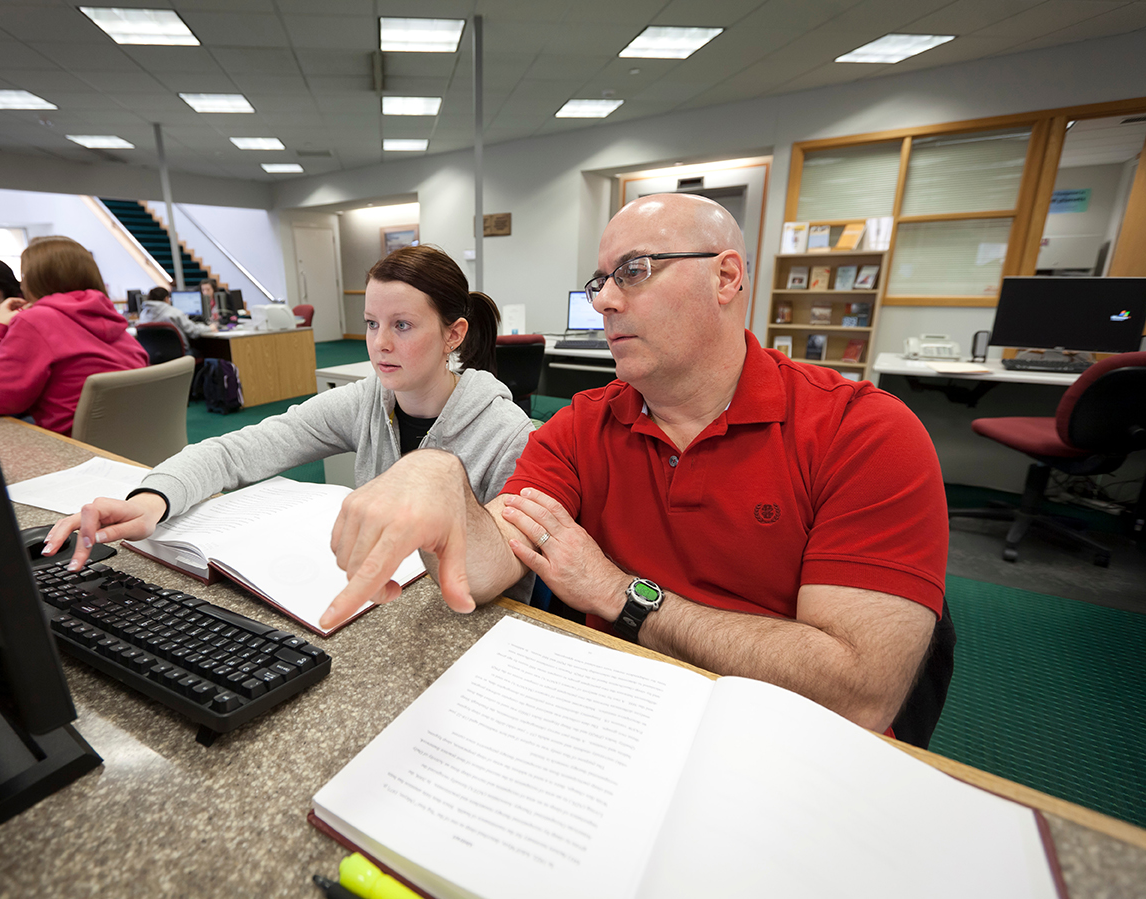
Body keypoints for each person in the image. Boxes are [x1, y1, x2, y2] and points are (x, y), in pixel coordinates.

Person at [320, 194, 949, 734]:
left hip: (785, 743)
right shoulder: (581, 426)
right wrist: (445, 480)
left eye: (635, 271)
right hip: (619, 714)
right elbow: (486, 571)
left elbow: (861, 692)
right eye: (601, 281)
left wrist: (622, 596)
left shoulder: (865, 432)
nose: (603, 303)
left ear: (726, 278)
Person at [45, 244, 536, 574]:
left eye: (402, 326)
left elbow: (501, 574)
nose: (379, 344)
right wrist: (153, 499)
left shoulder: (503, 433)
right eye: (370, 324)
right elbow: (237, 451)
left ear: (454, 334)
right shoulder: (369, 400)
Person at [0, 235, 148, 436]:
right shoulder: (108, 313)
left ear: (34, 279)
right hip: (133, 439)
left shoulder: (36, 320)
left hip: (77, 449)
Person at [137, 285, 216, 342]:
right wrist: (210, 328)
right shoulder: (174, 313)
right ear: (166, 299)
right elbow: (193, 331)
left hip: (154, 357)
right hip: (178, 355)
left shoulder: (143, 314)